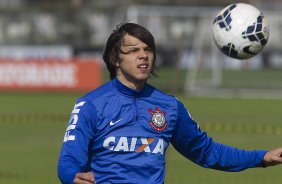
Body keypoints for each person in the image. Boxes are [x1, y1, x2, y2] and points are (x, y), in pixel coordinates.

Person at [57, 22, 282, 184]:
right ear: (115, 59)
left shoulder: (170, 106)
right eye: (133, 50)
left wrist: (261, 158)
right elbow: (69, 158)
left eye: (147, 49)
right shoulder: (90, 104)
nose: (143, 55)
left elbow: (207, 152)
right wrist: (72, 176)